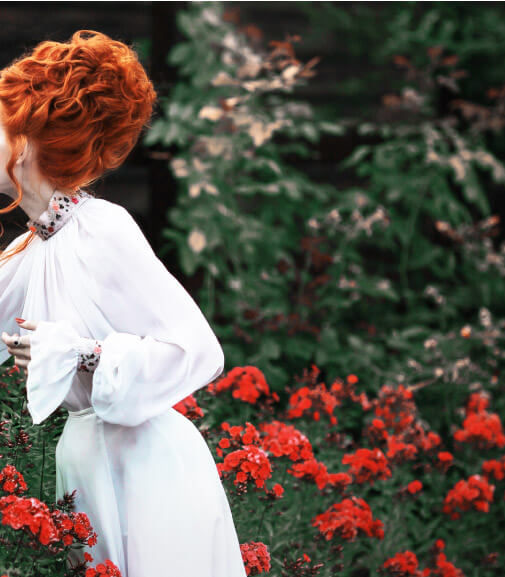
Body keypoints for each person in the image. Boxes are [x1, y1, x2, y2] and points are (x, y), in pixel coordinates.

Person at [0, 30, 247, 577]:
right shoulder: (29, 249)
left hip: (147, 471)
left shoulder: (101, 228)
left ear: (32, 139)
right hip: (88, 464)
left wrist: (80, 353)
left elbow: (200, 350)